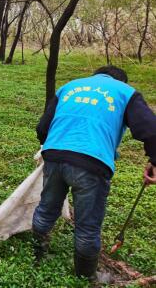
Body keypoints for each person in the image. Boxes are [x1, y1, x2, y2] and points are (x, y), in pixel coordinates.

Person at [32, 65, 156, 282]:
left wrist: (55, 149)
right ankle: (86, 276)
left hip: (54, 154)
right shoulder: (125, 92)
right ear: (121, 81)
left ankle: (38, 254)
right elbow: (151, 130)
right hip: (91, 162)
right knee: (87, 225)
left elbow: (42, 127)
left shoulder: (69, 87)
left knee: (46, 208)